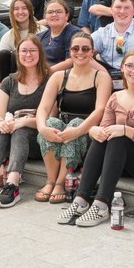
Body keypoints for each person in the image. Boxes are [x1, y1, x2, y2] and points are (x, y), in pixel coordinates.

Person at [57, 48, 134, 226]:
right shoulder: (115, 97)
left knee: (118, 136)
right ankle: (80, 200)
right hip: (117, 161)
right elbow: (105, 130)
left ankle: (101, 204)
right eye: (129, 66)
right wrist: (93, 131)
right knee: (105, 137)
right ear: (122, 68)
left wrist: (125, 130)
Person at [34, 31, 113, 203]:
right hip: (63, 128)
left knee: (75, 124)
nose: (80, 52)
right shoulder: (59, 76)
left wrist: (77, 131)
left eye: (85, 49)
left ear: (92, 52)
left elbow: (100, 110)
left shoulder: (101, 77)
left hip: (87, 129)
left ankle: (61, 183)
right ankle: (51, 180)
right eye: (75, 48)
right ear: (70, 51)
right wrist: (42, 127)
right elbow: (43, 108)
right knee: (51, 122)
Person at [0, 35, 51, 208]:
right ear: (17, 54)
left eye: (32, 50)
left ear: (40, 53)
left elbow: (50, 118)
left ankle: (13, 185)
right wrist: (1, 122)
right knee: (0, 129)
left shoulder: (49, 80)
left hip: (37, 140)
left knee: (20, 130)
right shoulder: (9, 81)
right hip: (10, 136)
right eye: (24, 51)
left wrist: (21, 122)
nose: (28, 55)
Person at [90, 0, 134, 85]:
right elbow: (82, 50)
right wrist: (104, 73)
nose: (122, 11)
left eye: (126, 8)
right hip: (108, 80)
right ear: (111, 10)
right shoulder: (102, 32)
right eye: (118, 7)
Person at [0, 0, 38, 79]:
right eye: (16, 9)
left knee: (16, 53)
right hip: (12, 76)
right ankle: (5, 88)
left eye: (24, 8)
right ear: (12, 13)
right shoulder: (8, 36)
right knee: (3, 54)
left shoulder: (42, 31)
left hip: (35, 71)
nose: (20, 12)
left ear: (30, 11)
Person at [37, 0, 81, 71]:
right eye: (50, 12)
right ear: (45, 17)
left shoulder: (75, 34)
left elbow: (71, 61)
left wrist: (46, 72)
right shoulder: (40, 36)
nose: (54, 14)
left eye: (59, 12)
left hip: (63, 76)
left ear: (67, 15)